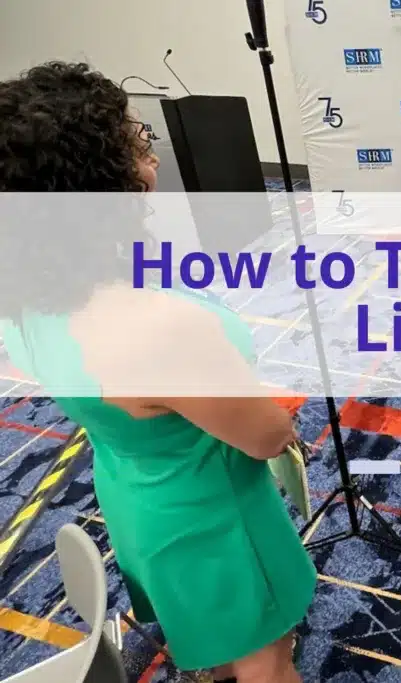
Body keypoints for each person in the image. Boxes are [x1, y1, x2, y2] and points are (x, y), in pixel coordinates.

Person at [0, 62, 315, 683]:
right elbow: (262, 437)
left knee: (215, 628)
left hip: (135, 494)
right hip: (216, 516)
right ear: (101, 185)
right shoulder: (159, 328)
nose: (153, 162)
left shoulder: (22, 299)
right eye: (139, 145)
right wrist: (277, 422)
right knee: (267, 658)